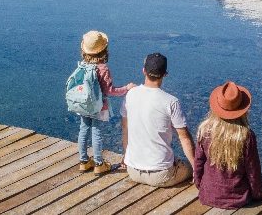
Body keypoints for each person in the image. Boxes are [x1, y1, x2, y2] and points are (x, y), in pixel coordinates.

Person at [121, 52, 195, 187]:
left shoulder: (130, 95)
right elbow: (184, 138)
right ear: (165, 74)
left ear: (144, 71)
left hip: (132, 171)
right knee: (188, 167)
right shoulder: (171, 102)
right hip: (161, 175)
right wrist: (197, 168)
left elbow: (125, 128)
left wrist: (126, 156)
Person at [193, 81, 262, 209]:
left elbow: (198, 162)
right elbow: (253, 171)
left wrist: (200, 186)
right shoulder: (245, 136)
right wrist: (257, 194)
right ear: (242, 110)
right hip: (238, 199)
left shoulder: (205, 131)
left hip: (208, 195)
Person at [77, 30, 136, 176]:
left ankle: (83, 161)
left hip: (83, 104)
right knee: (96, 132)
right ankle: (98, 164)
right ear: (104, 50)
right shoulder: (103, 69)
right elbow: (110, 91)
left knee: (83, 129)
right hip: (97, 106)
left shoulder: (82, 65)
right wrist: (126, 88)